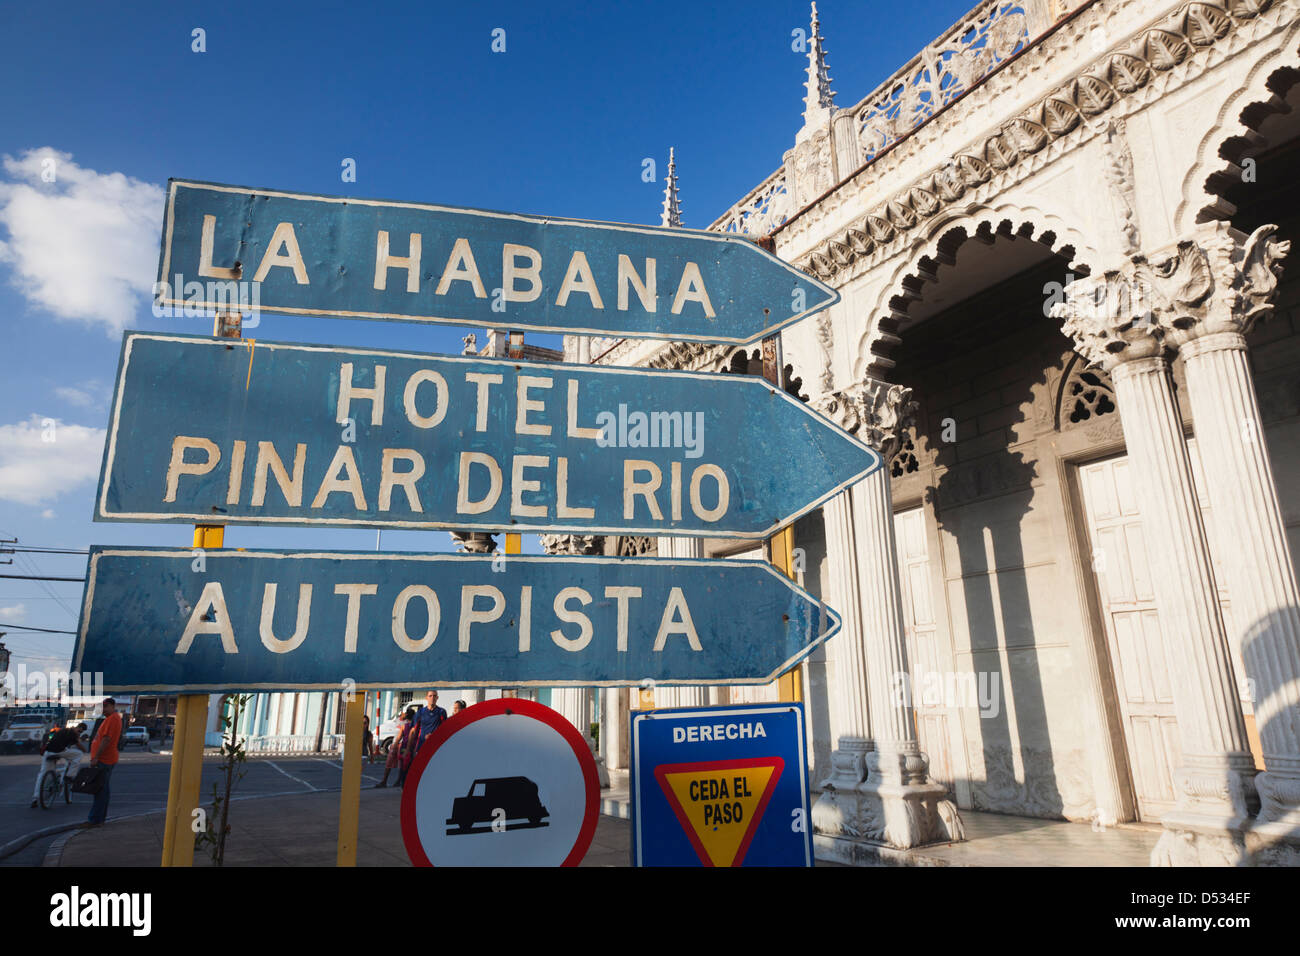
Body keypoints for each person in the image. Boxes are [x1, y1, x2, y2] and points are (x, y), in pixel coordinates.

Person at [31, 722, 87, 808]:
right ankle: (69, 776)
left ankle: (35, 798)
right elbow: (79, 746)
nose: (79, 732)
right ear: (77, 728)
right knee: (78, 754)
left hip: (48, 752)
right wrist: (86, 750)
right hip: (59, 752)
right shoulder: (72, 733)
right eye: (79, 731)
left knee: (43, 774)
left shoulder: (63, 731)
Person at [86, 698, 122, 826]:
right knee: (101, 790)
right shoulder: (110, 719)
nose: (103, 709)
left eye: (106, 706)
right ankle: (97, 818)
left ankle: (95, 819)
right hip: (105, 759)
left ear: (112, 706)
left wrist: (96, 757)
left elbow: (106, 740)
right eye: (102, 707)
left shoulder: (113, 719)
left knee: (100, 790)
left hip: (104, 760)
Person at [376, 709, 411, 788]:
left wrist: (396, 743)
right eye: (401, 713)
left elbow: (401, 736)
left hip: (400, 744)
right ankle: (385, 781)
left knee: (400, 764)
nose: (402, 714)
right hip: (395, 743)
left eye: (404, 713)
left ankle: (398, 781)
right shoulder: (397, 720)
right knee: (389, 763)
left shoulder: (408, 724)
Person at [394, 707, 419, 788]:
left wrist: (395, 746)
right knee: (410, 767)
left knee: (402, 767)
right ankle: (407, 784)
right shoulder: (416, 727)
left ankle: (401, 782)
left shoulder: (404, 726)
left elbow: (398, 737)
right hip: (412, 748)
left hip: (403, 748)